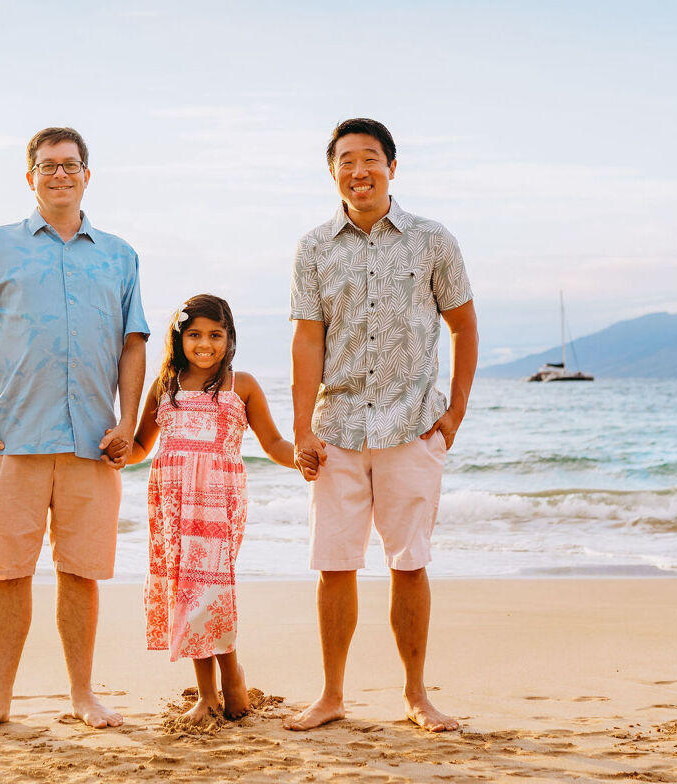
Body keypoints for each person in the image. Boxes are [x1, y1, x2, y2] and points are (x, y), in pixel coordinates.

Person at [0, 126, 150, 733]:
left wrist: (129, 423)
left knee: (80, 574)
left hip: (91, 442)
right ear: (30, 176)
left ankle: (83, 694)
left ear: (88, 173)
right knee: (9, 573)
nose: (59, 174)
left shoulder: (119, 254)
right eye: (47, 166)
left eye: (70, 165)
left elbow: (134, 343)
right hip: (13, 440)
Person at [286, 118, 478, 733]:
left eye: (370, 158)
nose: (358, 169)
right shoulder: (314, 247)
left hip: (413, 424)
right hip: (336, 426)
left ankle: (417, 695)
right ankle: (332, 695)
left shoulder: (432, 240)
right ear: (333, 171)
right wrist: (301, 428)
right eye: (346, 160)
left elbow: (464, 326)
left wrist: (454, 413)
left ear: (392, 167)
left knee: (409, 563)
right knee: (334, 564)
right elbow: (307, 340)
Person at [118, 294, 317, 725]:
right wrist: (113, 452)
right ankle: (209, 694)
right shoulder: (164, 387)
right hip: (171, 501)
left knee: (210, 590)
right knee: (188, 592)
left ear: (229, 339)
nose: (204, 344)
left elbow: (275, 443)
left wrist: (301, 456)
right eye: (194, 335)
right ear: (179, 338)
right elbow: (139, 446)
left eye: (215, 335)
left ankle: (232, 679)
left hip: (218, 501)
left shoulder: (239, 384)